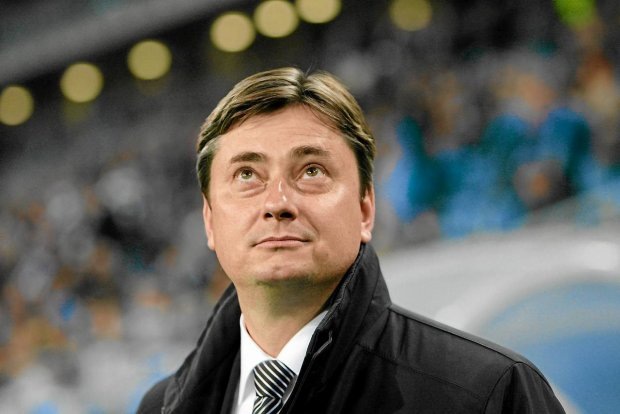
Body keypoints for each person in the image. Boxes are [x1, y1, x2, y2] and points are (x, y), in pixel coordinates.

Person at [138, 67, 565, 413]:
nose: (277, 203)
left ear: (365, 209)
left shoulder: (488, 393)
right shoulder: (159, 407)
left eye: (311, 171)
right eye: (247, 175)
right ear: (210, 221)